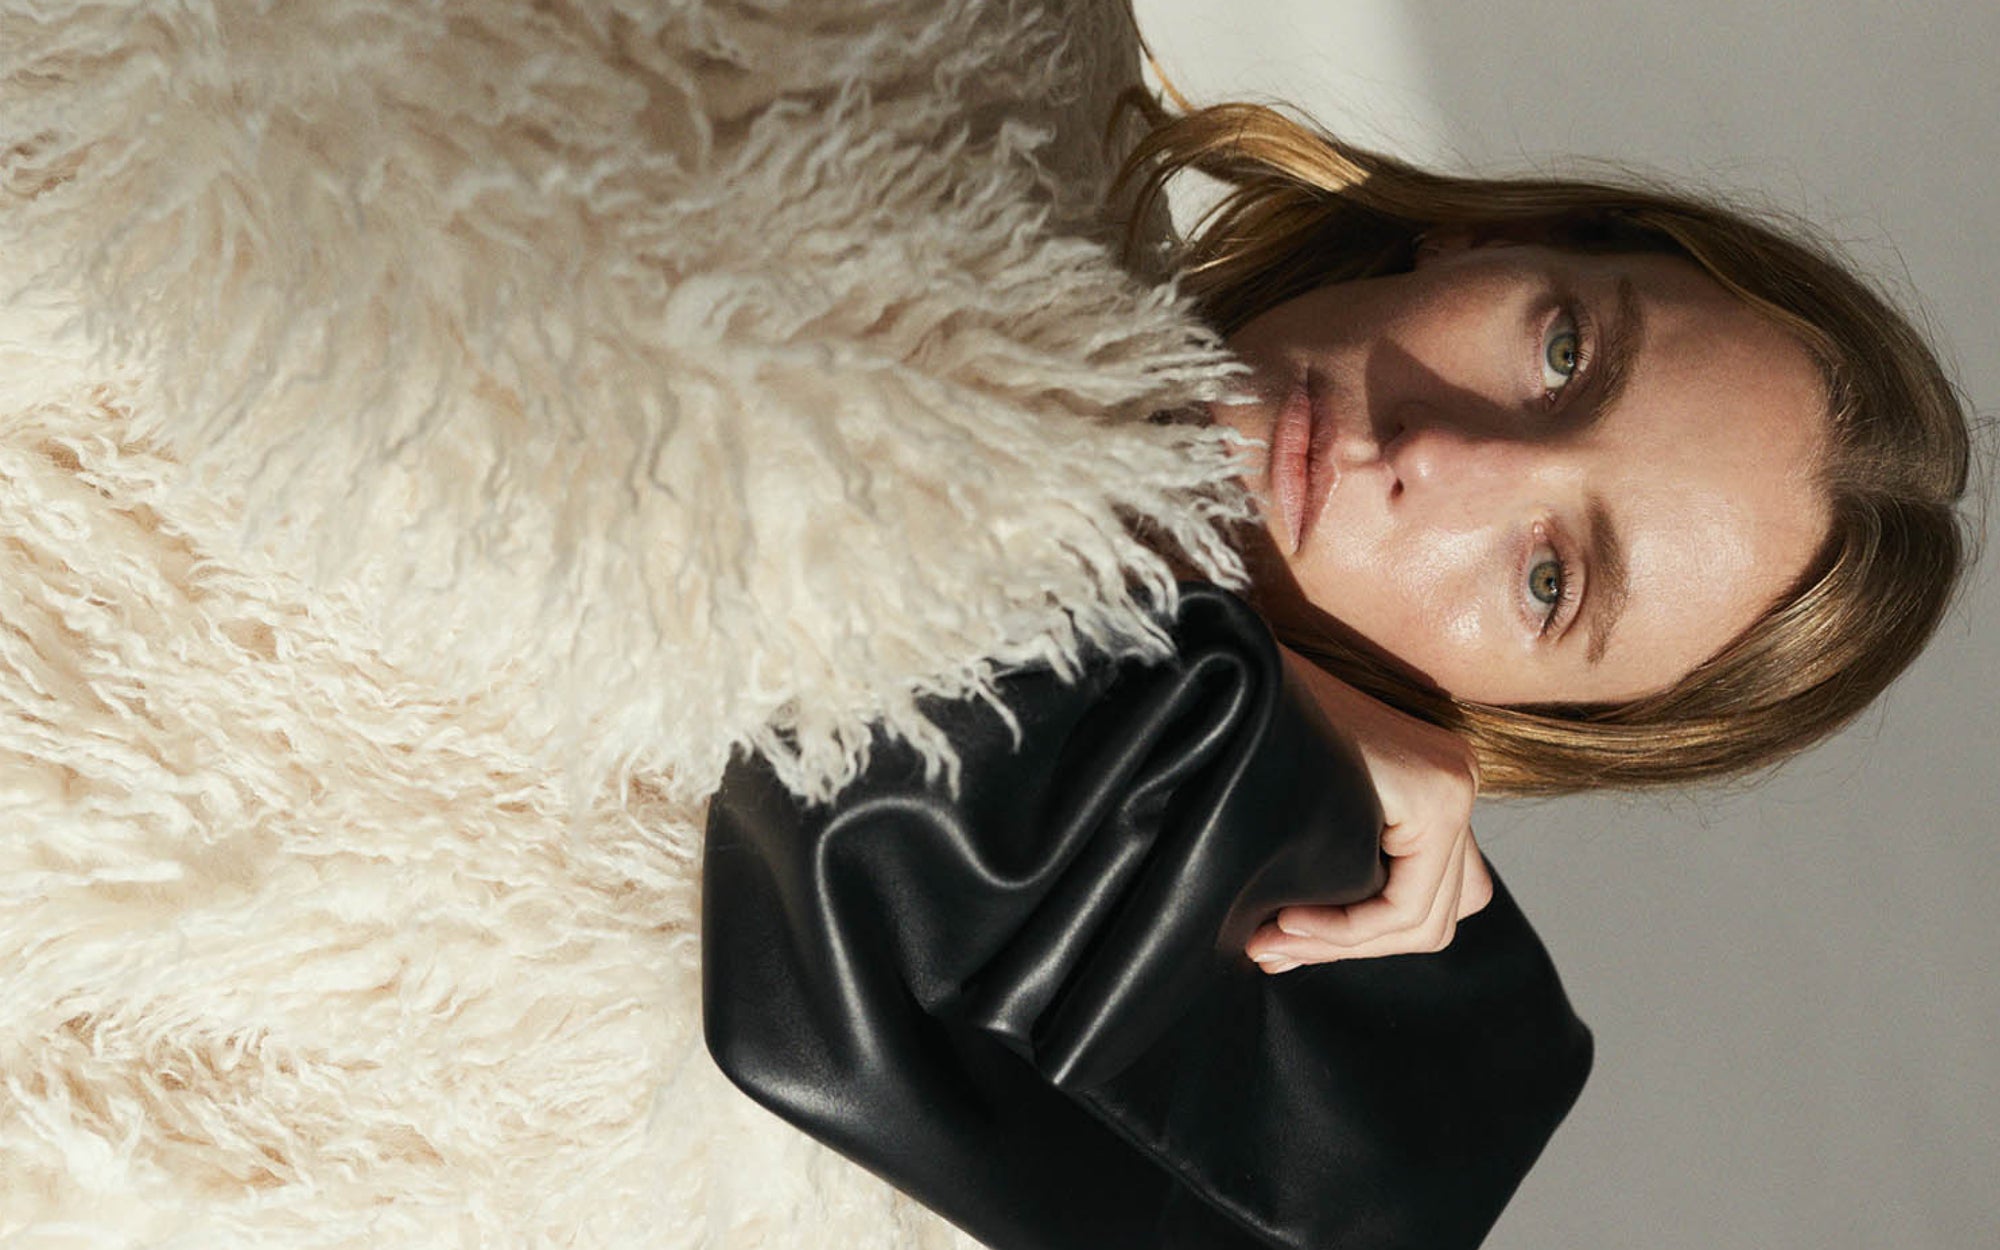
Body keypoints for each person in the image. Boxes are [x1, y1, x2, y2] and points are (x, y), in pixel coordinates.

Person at [1099, 96, 1974, 973]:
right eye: (1564, 355)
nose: (1435, 455)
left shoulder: (1146, 928)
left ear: (1503, 718)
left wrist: (1214, 704)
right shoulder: (1029, 101)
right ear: (1491, 237)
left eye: (1548, 581)